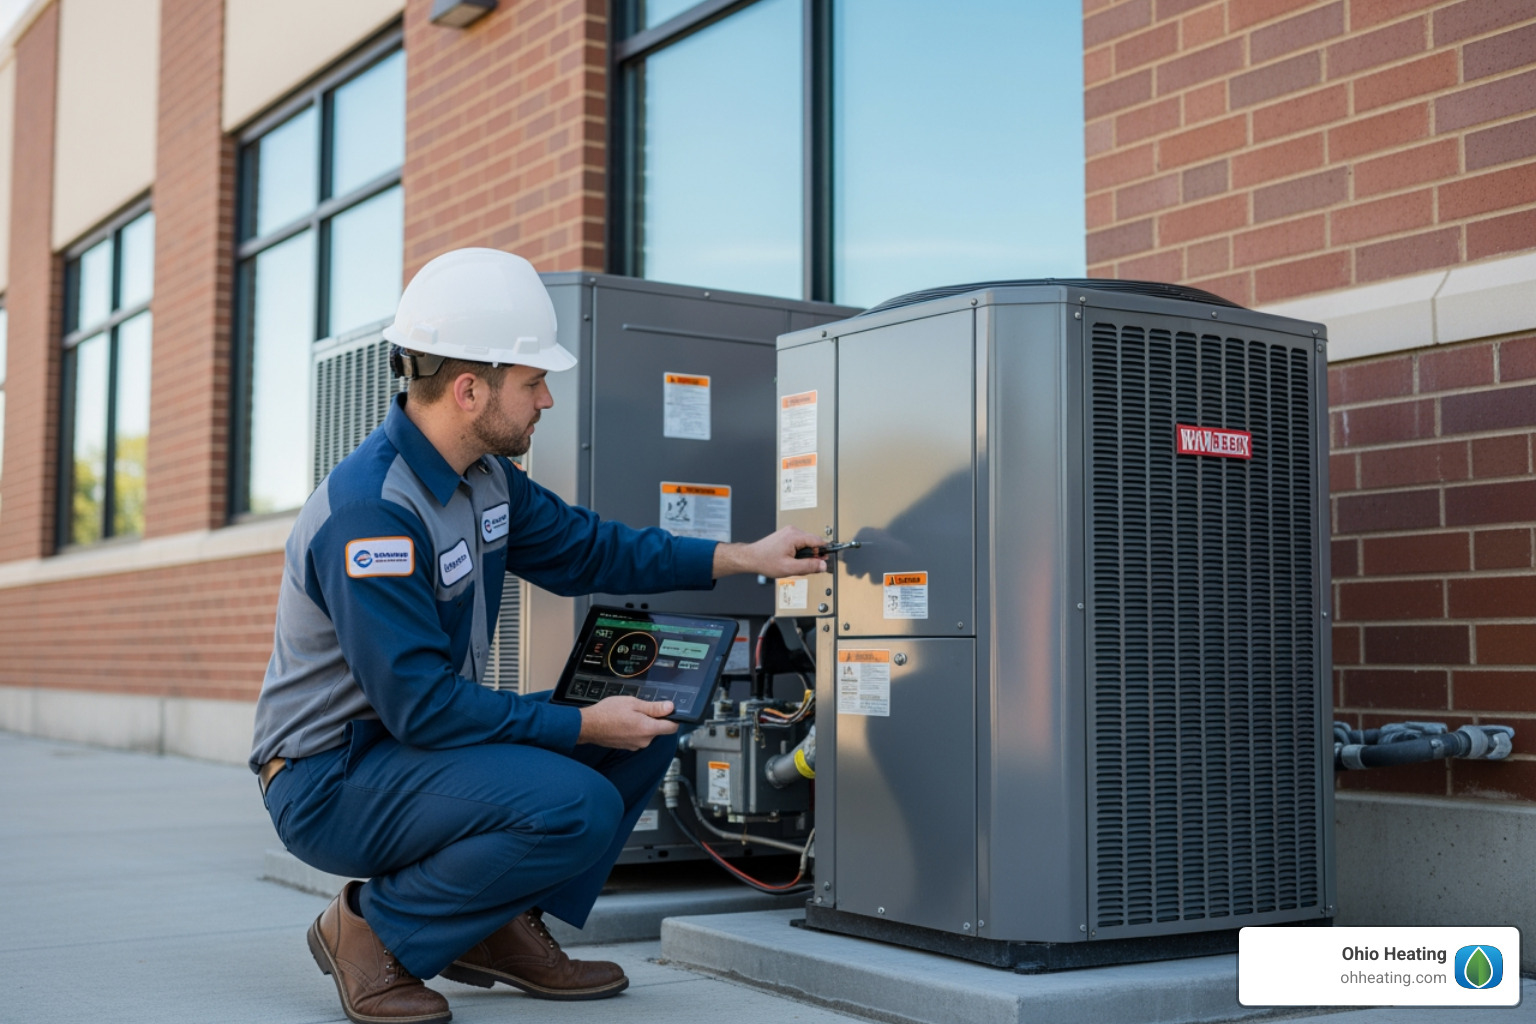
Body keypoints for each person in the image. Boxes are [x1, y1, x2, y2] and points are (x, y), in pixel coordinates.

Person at [250, 248, 825, 1024]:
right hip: (328, 779)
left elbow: (590, 549)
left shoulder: (483, 476)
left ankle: (499, 926)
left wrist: (739, 557)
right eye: (533, 383)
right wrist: (584, 723)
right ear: (468, 389)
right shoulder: (372, 512)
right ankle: (372, 931)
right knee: (576, 803)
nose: (547, 400)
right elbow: (421, 705)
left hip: (410, 747)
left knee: (649, 719)